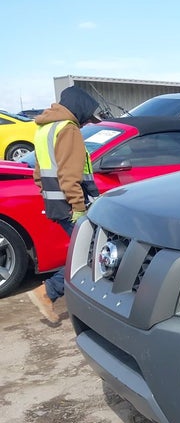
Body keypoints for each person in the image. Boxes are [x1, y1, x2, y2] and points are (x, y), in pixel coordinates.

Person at [27, 86, 101, 323]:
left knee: (84, 251)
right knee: (91, 253)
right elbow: (70, 175)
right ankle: (48, 292)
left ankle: (55, 292)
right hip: (71, 206)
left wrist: (49, 196)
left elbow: (39, 173)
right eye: (86, 117)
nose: (86, 123)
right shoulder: (68, 130)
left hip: (56, 204)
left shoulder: (45, 128)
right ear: (79, 109)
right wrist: (78, 207)